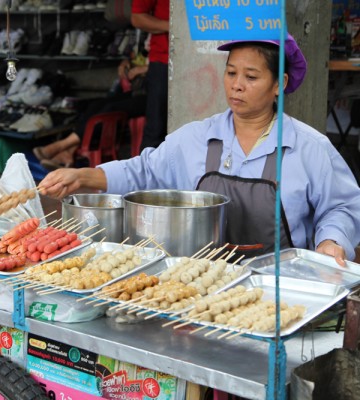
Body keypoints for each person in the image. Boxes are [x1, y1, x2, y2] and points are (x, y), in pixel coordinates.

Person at [39, 34, 360, 265]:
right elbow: (146, 170)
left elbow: (341, 208)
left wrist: (331, 242)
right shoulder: (197, 137)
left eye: (251, 76)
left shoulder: (309, 147)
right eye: (231, 72)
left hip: (282, 290)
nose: (236, 84)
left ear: (279, 84)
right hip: (203, 280)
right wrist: (83, 176)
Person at [33, 56, 148, 170]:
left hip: (154, 98)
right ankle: (68, 151)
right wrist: (126, 62)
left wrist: (144, 68)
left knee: (111, 108)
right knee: (95, 105)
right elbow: (135, 54)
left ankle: (62, 146)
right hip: (139, 91)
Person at [131, 0, 169, 152]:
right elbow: (137, 17)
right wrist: (174, 26)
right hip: (164, 62)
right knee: (156, 130)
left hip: (208, 60)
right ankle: (147, 175)